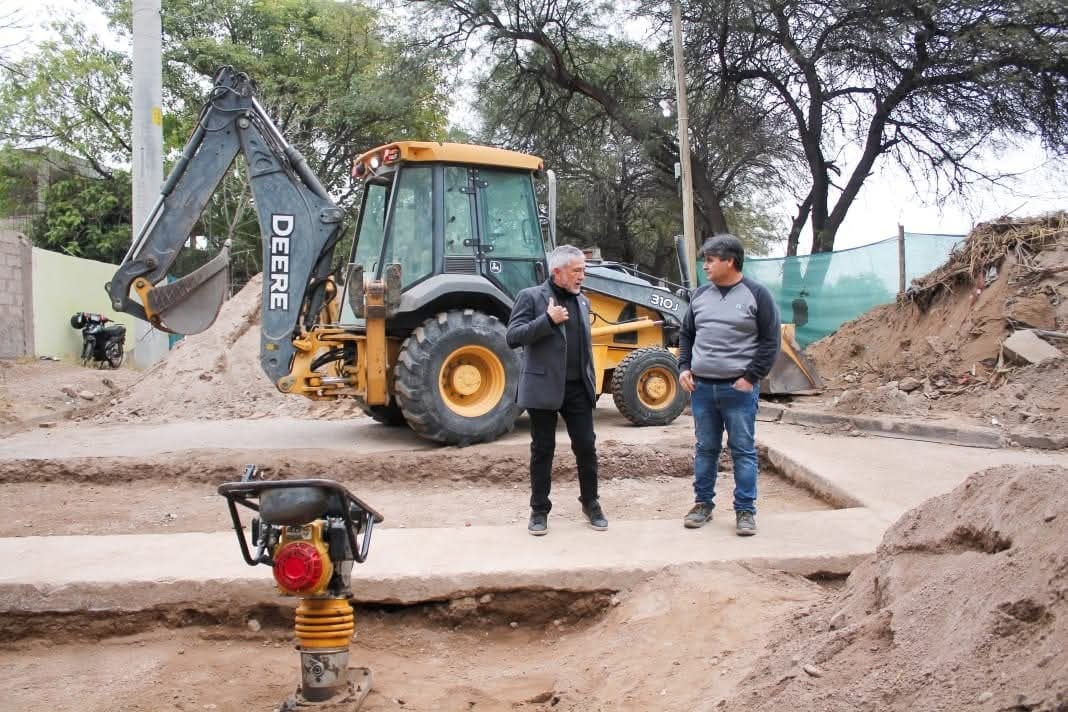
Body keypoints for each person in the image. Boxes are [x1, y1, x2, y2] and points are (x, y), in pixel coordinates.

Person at [677, 234, 781, 536]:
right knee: (705, 448)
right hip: (702, 390)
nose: (705, 265)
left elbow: (770, 341)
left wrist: (751, 377)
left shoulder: (757, 295)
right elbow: (686, 335)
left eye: (710, 260)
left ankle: (745, 510)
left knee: (743, 450)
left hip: (738, 391)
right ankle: (702, 505)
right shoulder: (699, 296)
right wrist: (684, 367)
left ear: (730, 261)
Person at [507, 244, 606, 536]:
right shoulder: (531, 297)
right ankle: (539, 510)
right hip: (543, 388)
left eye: (583, 271)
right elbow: (512, 337)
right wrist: (547, 321)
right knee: (542, 450)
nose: (582, 276)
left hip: (577, 390)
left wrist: (591, 384)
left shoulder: (583, 302)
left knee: (586, 447)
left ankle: (591, 503)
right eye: (577, 271)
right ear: (557, 272)